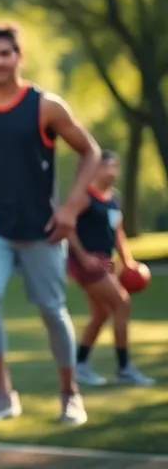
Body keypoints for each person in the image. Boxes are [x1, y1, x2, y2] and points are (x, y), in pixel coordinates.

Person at [0, 22, 102, 427]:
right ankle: (2, 394)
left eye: (6, 53)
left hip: (43, 229)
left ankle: (70, 394)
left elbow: (89, 152)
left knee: (51, 311)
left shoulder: (45, 106)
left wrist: (71, 208)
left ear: (19, 56)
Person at [69, 149, 155, 387]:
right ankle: (124, 367)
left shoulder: (114, 198)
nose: (114, 171)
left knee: (101, 313)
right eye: (109, 166)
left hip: (105, 263)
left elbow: (118, 232)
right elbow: (68, 227)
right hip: (85, 264)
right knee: (121, 302)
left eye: (116, 166)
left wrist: (128, 262)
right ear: (96, 168)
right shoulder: (85, 196)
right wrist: (84, 256)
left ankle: (81, 365)